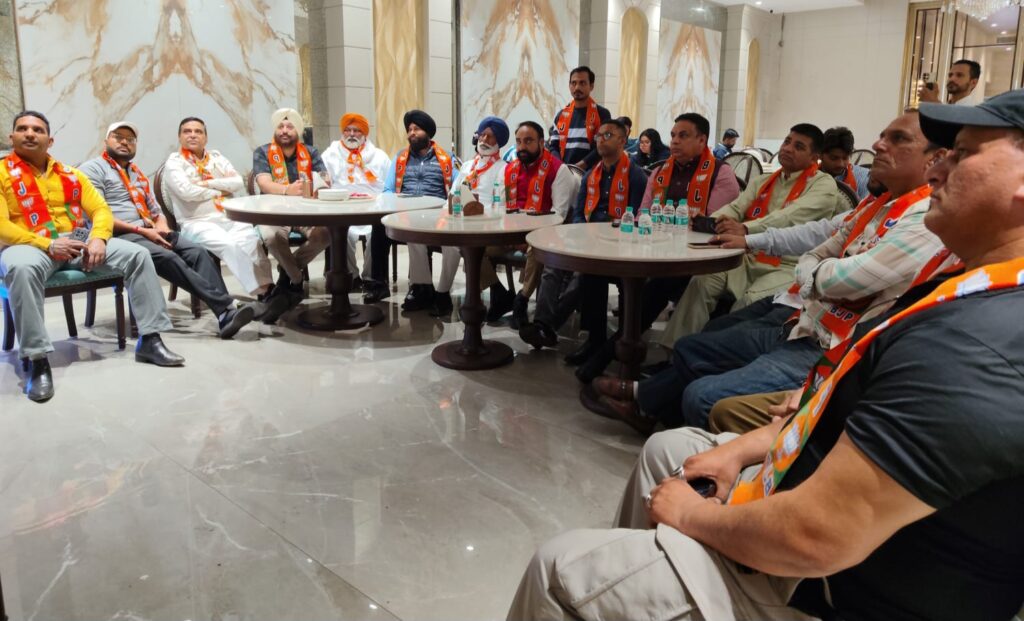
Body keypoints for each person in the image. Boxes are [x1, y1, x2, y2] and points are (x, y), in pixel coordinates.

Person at [507, 89, 1024, 621]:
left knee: (556, 566)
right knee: (669, 445)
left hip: (825, 585)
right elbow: (849, 351)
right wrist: (756, 442)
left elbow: (818, 535)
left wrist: (694, 518)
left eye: (963, 154)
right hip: (806, 450)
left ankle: (657, 562)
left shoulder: (976, 346)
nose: (939, 170)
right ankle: (651, 558)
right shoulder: (973, 289)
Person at [588, 110, 950, 434]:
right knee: (698, 320)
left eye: (897, 139)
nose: (879, 145)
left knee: (715, 354)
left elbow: (814, 249)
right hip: (793, 299)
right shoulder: (870, 202)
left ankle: (658, 401)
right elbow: (813, 237)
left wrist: (778, 250)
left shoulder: (917, 216)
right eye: (786, 142)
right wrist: (723, 227)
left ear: (936, 159)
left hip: (820, 325)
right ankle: (656, 391)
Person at [0, 111, 184, 402]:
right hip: (29, 244)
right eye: (23, 129)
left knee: (138, 255)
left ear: (50, 140)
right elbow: (2, 225)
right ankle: (37, 360)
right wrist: (48, 244)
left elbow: (100, 210)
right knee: (21, 268)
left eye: (38, 129)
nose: (30, 133)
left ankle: (150, 340)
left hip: (77, 240)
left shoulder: (70, 173)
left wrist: (98, 238)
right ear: (12, 137)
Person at [575, 113, 742, 381]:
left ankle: (610, 353)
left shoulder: (721, 174)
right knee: (594, 271)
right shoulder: (659, 172)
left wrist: (673, 226)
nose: (674, 141)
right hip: (655, 248)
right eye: (673, 136)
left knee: (658, 287)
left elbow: (712, 224)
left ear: (702, 140)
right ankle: (596, 341)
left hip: (698, 256)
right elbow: (643, 214)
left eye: (683, 136)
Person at [656, 123, 843, 346]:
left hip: (788, 265)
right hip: (746, 255)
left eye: (799, 146)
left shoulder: (823, 185)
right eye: (787, 142)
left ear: (815, 157)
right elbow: (735, 208)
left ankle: (713, 357)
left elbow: (789, 217)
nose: (788, 148)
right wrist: (708, 221)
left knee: (749, 301)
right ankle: (673, 352)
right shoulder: (764, 181)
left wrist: (746, 229)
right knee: (702, 281)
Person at [79, 122, 261, 339]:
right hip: (119, 235)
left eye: (130, 139)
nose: (125, 142)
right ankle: (226, 307)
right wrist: (144, 232)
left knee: (197, 253)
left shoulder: (136, 173)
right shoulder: (92, 169)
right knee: (168, 257)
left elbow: (155, 209)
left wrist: (162, 227)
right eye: (118, 137)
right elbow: (99, 215)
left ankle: (224, 313)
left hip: (149, 230)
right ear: (106, 141)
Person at [163, 117, 289, 321]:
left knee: (252, 241)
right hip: (196, 222)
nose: (193, 135)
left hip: (227, 215)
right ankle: (268, 292)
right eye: (187, 131)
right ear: (180, 137)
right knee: (228, 245)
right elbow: (186, 192)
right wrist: (219, 189)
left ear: (205, 137)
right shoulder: (174, 163)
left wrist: (205, 183)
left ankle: (265, 294)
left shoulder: (216, 158)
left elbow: (237, 182)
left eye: (198, 131)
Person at [567, 119, 651, 364]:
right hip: (593, 242)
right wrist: (581, 233)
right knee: (589, 273)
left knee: (614, 276)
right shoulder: (591, 175)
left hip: (622, 246)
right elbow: (578, 212)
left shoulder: (635, 175)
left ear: (623, 140)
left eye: (608, 135)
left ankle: (623, 338)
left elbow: (637, 217)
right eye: (598, 136)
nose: (601, 140)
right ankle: (594, 340)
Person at [251, 108, 331, 310]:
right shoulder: (262, 152)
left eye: (290, 126)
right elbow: (264, 183)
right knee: (271, 236)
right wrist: (288, 190)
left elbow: (324, 178)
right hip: (274, 212)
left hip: (306, 212)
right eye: (280, 126)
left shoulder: (311, 152)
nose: (285, 131)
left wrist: (319, 184)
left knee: (326, 235)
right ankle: (296, 279)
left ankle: (286, 271)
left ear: (298, 131)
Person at [503, 121, 579, 331]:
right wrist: (511, 233)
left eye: (528, 141)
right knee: (475, 246)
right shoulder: (510, 169)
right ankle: (499, 293)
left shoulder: (558, 169)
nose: (522, 147)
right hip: (510, 231)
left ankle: (522, 299)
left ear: (541, 142)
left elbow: (558, 214)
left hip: (543, 233)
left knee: (537, 249)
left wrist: (526, 235)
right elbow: (502, 207)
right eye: (519, 141)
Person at [376, 109, 455, 310]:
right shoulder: (400, 158)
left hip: (439, 215)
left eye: (417, 129)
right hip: (407, 215)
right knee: (412, 234)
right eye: (409, 129)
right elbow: (387, 190)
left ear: (428, 133)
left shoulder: (447, 159)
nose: (412, 133)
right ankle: (422, 288)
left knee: (453, 245)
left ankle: (443, 293)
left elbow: (458, 189)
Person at [444, 116, 510, 319]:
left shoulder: (504, 168)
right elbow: (453, 195)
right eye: (482, 135)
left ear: (499, 142)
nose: (484, 140)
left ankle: (482, 298)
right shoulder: (467, 167)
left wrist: (477, 211)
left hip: (490, 227)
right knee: (457, 242)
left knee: (468, 246)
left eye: (490, 137)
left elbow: (501, 205)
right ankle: (498, 292)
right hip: (462, 223)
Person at [321, 112, 391, 289]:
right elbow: (322, 183)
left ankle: (370, 277)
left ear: (365, 133)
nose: (351, 134)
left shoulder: (379, 156)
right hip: (341, 209)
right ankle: (350, 276)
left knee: (376, 234)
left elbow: (389, 187)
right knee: (343, 233)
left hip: (373, 210)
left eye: (357, 130)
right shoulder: (330, 154)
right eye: (347, 130)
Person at [546, 66, 611, 170]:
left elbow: (602, 146)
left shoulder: (602, 114)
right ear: (569, 86)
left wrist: (578, 167)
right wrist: (561, 167)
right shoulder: (561, 115)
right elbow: (553, 146)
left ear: (591, 86)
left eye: (582, 83)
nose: (577, 88)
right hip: (564, 172)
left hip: (591, 173)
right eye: (574, 83)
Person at [818, 126, 870, 200]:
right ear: (819, 155)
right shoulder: (808, 178)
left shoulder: (864, 178)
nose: (841, 164)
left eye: (845, 158)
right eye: (834, 158)